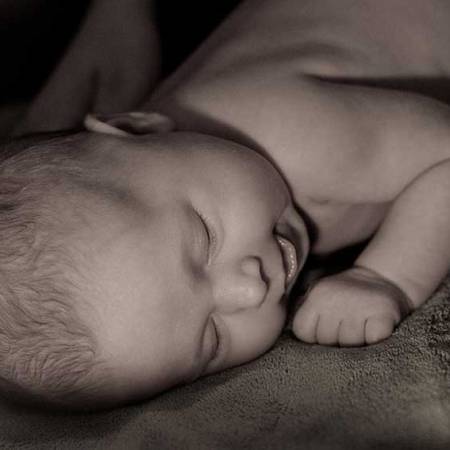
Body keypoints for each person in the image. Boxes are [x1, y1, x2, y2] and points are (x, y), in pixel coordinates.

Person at [1, 0, 449, 410]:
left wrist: (384, 277)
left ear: (139, 127)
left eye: (205, 238)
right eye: (213, 338)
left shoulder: (294, 135)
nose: (250, 290)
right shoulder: (158, 168)